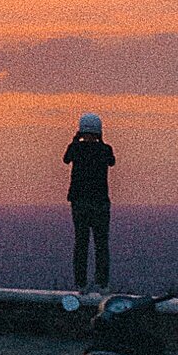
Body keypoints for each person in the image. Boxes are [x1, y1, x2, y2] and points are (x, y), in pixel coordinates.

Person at [64, 111, 115, 293]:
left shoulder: (76, 148)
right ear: (99, 131)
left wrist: (75, 139)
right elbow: (112, 162)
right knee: (101, 244)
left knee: (81, 242)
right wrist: (101, 142)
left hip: (79, 202)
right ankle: (102, 283)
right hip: (100, 202)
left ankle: (81, 283)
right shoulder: (105, 149)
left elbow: (66, 159)